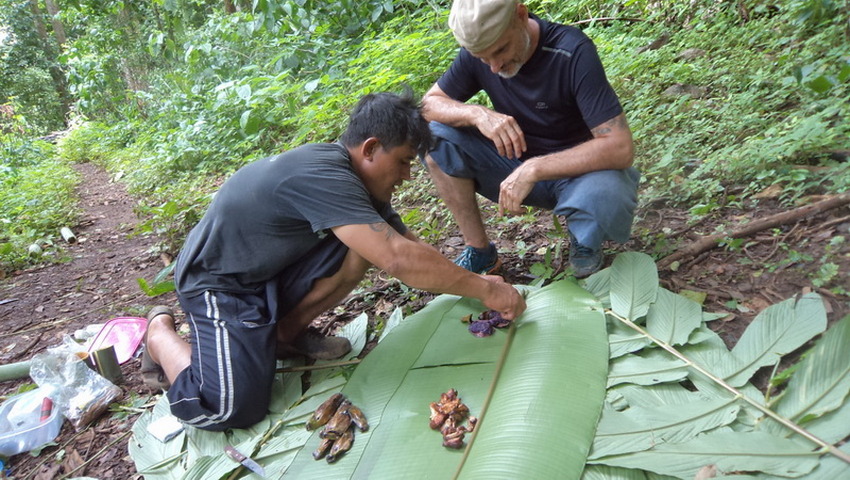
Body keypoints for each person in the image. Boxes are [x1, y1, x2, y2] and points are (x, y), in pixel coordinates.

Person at [141, 90, 526, 431]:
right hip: (218, 283)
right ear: (371, 148)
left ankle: (283, 335)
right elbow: (398, 259)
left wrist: (478, 284)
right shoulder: (323, 175)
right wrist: (483, 290)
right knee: (230, 407)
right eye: (405, 162)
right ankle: (160, 334)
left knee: (362, 245)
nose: (408, 176)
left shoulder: (358, 182)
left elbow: (409, 245)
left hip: (265, 273)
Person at [422, 0, 640, 278]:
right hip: (510, 165)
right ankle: (480, 252)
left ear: (521, 15)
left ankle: (584, 236)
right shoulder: (484, 56)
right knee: (431, 136)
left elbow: (619, 147)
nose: (494, 66)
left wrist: (535, 168)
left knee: (609, 191)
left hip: (577, 175)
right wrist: (477, 113)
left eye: (500, 50)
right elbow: (428, 105)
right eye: (482, 58)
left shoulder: (572, 51)